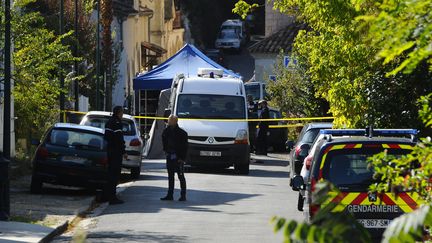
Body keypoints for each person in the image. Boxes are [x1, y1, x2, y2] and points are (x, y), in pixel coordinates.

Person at [103, 106, 127, 205]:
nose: (122, 115)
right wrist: (123, 151)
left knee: (110, 174)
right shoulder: (117, 123)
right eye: (122, 112)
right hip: (116, 152)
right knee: (115, 175)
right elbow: (119, 139)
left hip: (110, 151)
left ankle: (107, 196)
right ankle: (112, 197)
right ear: (119, 113)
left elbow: (106, 137)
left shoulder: (109, 122)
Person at [161, 115, 188, 201]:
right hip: (170, 156)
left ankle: (183, 195)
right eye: (169, 120)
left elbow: (185, 147)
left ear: (175, 121)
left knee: (180, 176)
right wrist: (165, 151)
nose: (169, 121)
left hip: (178, 157)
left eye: (171, 120)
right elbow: (164, 141)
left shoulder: (182, 133)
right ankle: (170, 195)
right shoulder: (166, 131)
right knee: (170, 176)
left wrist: (182, 158)